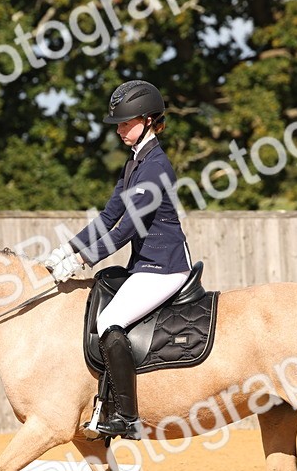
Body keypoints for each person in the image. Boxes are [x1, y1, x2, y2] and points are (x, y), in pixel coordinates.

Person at [45, 80, 192, 440]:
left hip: (165, 266)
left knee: (111, 319)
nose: (121, 129)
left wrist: (81, 261)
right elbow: (108, 217)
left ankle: (127, 416)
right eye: (120, 124)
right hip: (143, 266)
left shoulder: (156, 167)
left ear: (147, 119)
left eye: (127, 123)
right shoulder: (134, 165)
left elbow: (126, 229)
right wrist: (68, 248)